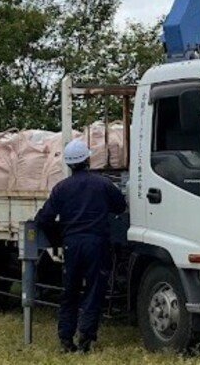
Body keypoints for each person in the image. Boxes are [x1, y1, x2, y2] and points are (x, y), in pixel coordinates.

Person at [34, 137, 127, 353]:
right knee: (94, 291)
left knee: (70, 292)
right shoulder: (103, 184)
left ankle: (66, 340)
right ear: (88, 159)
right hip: (97, 244)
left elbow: (43, 219)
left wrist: (57, 239)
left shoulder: (61, 188)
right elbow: (121, 206)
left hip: (72, 245)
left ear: (68, 163)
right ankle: (86, 338)